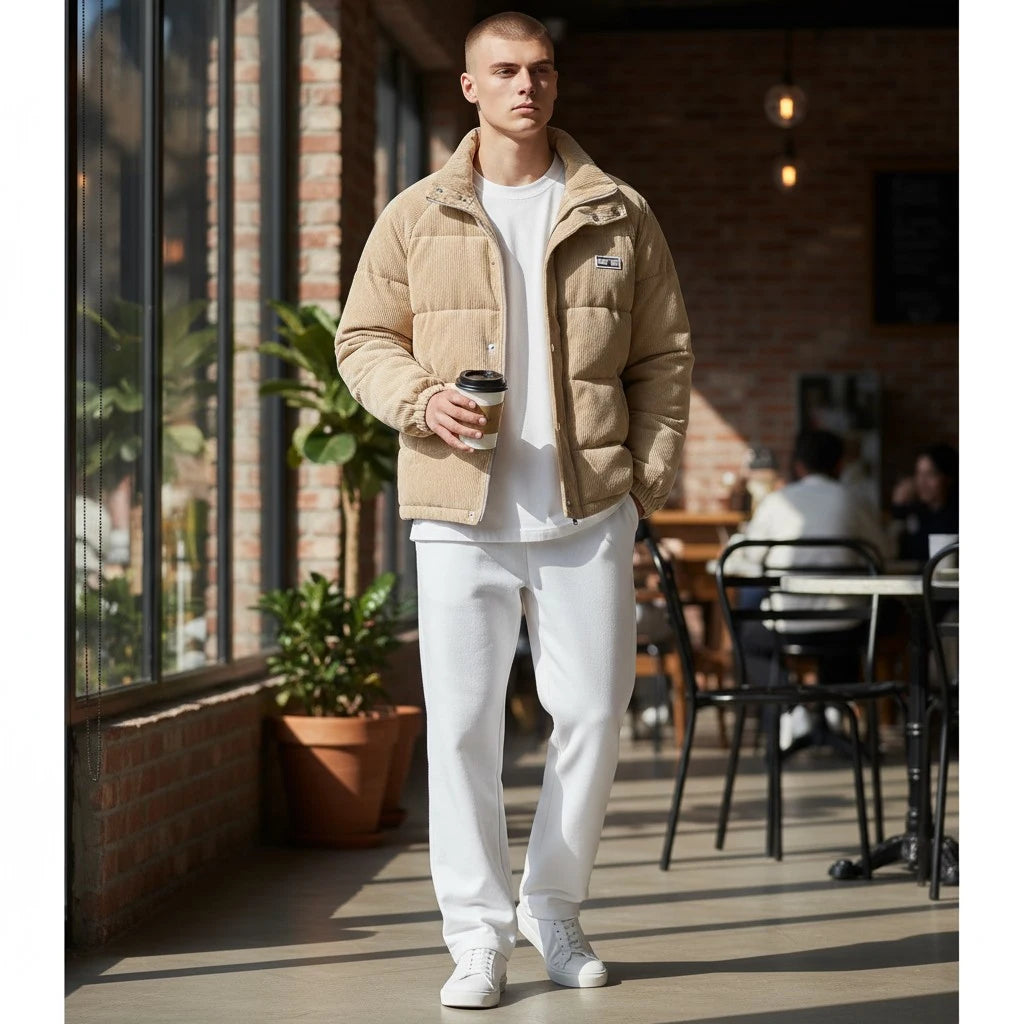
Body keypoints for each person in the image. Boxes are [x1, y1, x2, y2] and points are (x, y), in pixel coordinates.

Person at [334, 11, 693, 1011]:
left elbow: (665, 356)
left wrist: (647, 471)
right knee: (461, 731)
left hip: (585, 516)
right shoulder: (415, 215)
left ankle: (555, 906)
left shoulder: (618, 213)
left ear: (554, 83)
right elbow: (362, 339)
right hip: (458, 514)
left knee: (591, 714)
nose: (525, 85)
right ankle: (476, 935)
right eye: (504, 70)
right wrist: (418, 400)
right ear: (468, 87)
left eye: (539, 70)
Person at [725, 429, 891, 750]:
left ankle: (793, 707)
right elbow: (881, 554)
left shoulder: (777, 501)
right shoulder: (854, 499)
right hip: (848, 625)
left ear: (798, 466)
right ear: (839, 464)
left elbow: (749, 556)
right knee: (852, 628)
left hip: (788, 626)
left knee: (747, 637)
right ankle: (831, 708)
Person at [890, 443, 958, 562]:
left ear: (949, 478)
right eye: (919, 474)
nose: (922, 482)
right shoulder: (916, 512)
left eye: (931, 474)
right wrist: (898, 508)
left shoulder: (955, 516)